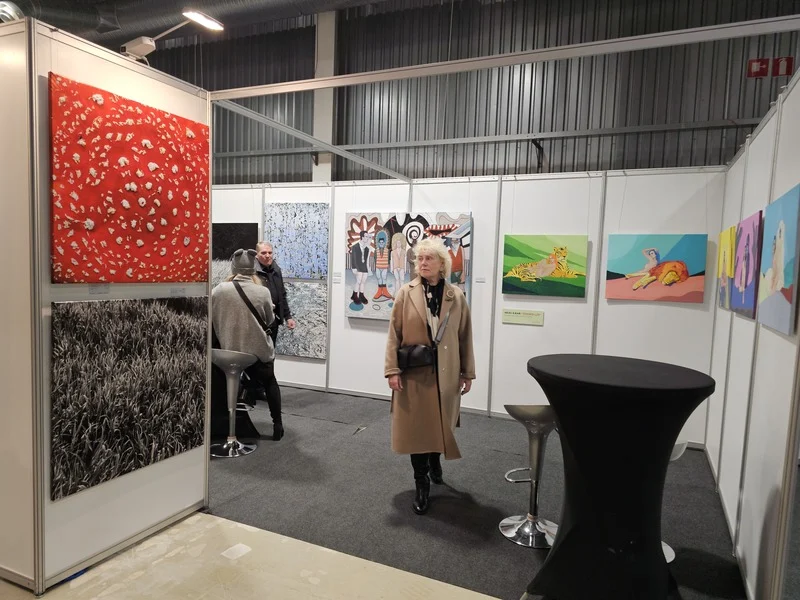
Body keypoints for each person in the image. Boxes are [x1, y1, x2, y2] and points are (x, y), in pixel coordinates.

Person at [384, 236, 476, 515]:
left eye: (429, 258)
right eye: (420, 259)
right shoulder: (406, 293)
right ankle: (421, 483)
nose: (422, 263)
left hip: (446, 374)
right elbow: (394, 334)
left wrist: (467, 372)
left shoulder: (455, 296)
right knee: (417, 430)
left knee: (439, 423)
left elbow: (465, 337)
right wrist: (392, 370)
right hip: (415, 375)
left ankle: (435, 458)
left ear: (441, 264)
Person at [212, 249, 284, 441]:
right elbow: (270, 320)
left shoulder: (219, 290)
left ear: (234, 267)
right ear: (253, 268)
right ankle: (277, 424)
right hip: (256, 353)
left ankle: (228, 427)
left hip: (227, 353)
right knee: (270, 382)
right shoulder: (262, 292)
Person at [255, 241, 296, 347]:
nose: (267, 255)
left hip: (273, 321)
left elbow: (282, 294)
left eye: (270, 252)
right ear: (257, 255)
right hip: (257, 322)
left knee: (271, 351)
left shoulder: (276, 270)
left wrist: (288, 317)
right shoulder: (253, 273)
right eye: (263, 253)